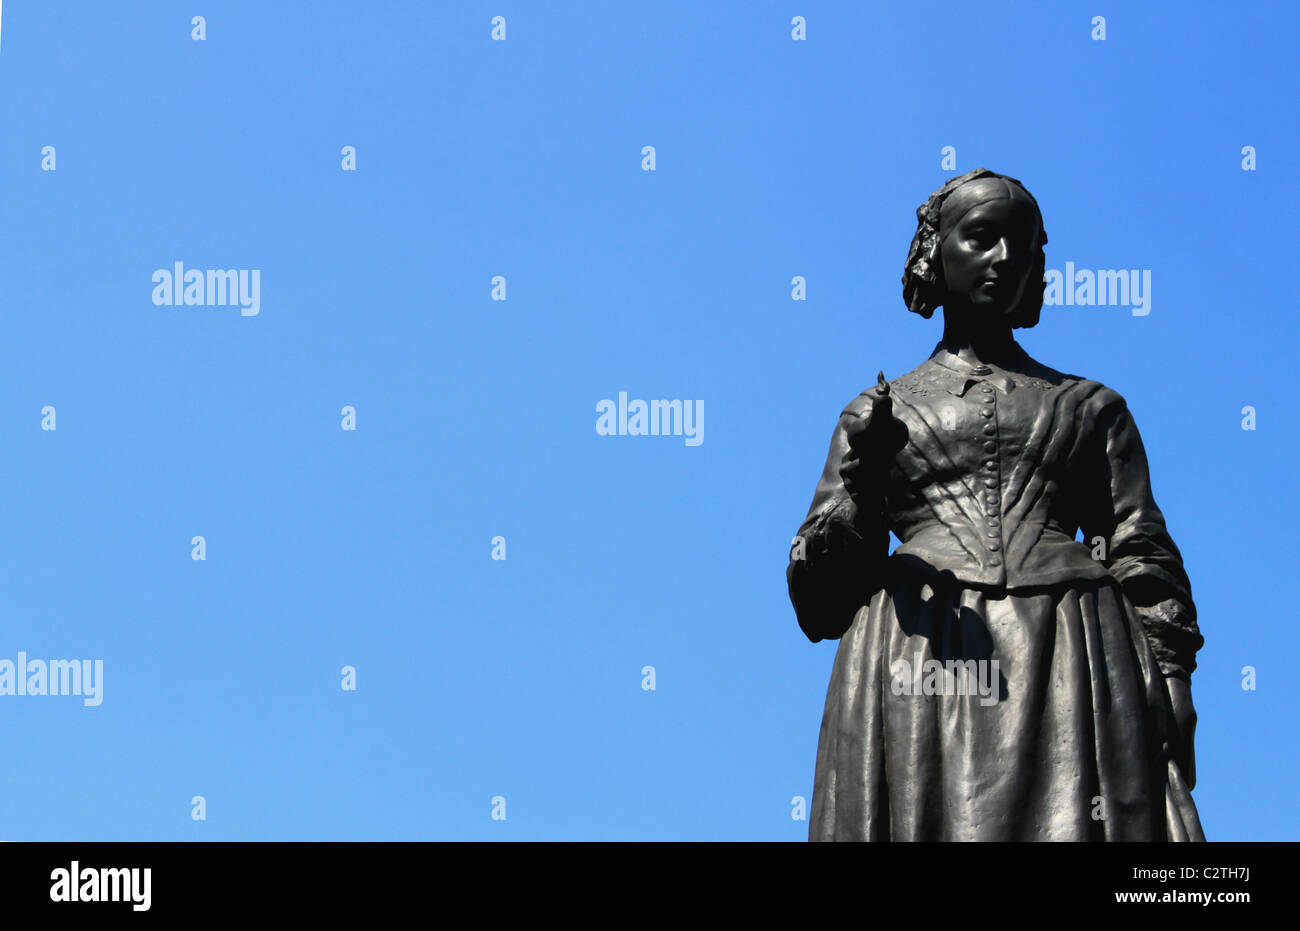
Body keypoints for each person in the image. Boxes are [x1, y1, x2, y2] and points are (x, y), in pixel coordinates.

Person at [787, 168, 1204, 841]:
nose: (1004, 259)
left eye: (1023, 245)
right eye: (982, 238)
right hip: (919, 655)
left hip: (1078, 651)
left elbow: (1138, 548)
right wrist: (861, 489)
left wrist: (1174, 678)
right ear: (935, 252)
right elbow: (817, 600)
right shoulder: (876, 413)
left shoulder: (1092, 408)